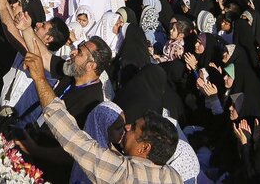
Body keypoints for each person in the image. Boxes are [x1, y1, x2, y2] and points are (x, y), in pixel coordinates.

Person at [24, 49, 181, 183]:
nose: (127, 127)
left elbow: (74, 139)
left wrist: (39, 78)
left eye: (134, 128)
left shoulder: (123, 174)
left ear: (145, 147)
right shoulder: (173, 176)